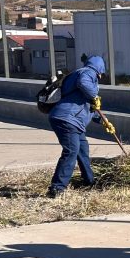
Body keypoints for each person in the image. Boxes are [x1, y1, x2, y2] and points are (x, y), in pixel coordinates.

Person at [47, 55, 113, 197]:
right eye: (101, 73)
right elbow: (84, 84)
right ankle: (57, 188)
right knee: (71, 151)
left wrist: (105, 121)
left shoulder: (83, 77)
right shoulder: (87, 72)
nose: (101, 76)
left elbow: (89, 108)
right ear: (99, 68)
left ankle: (89, 181)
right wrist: (94, 96)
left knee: (82, 150)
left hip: (74, 122)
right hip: (67, 119)